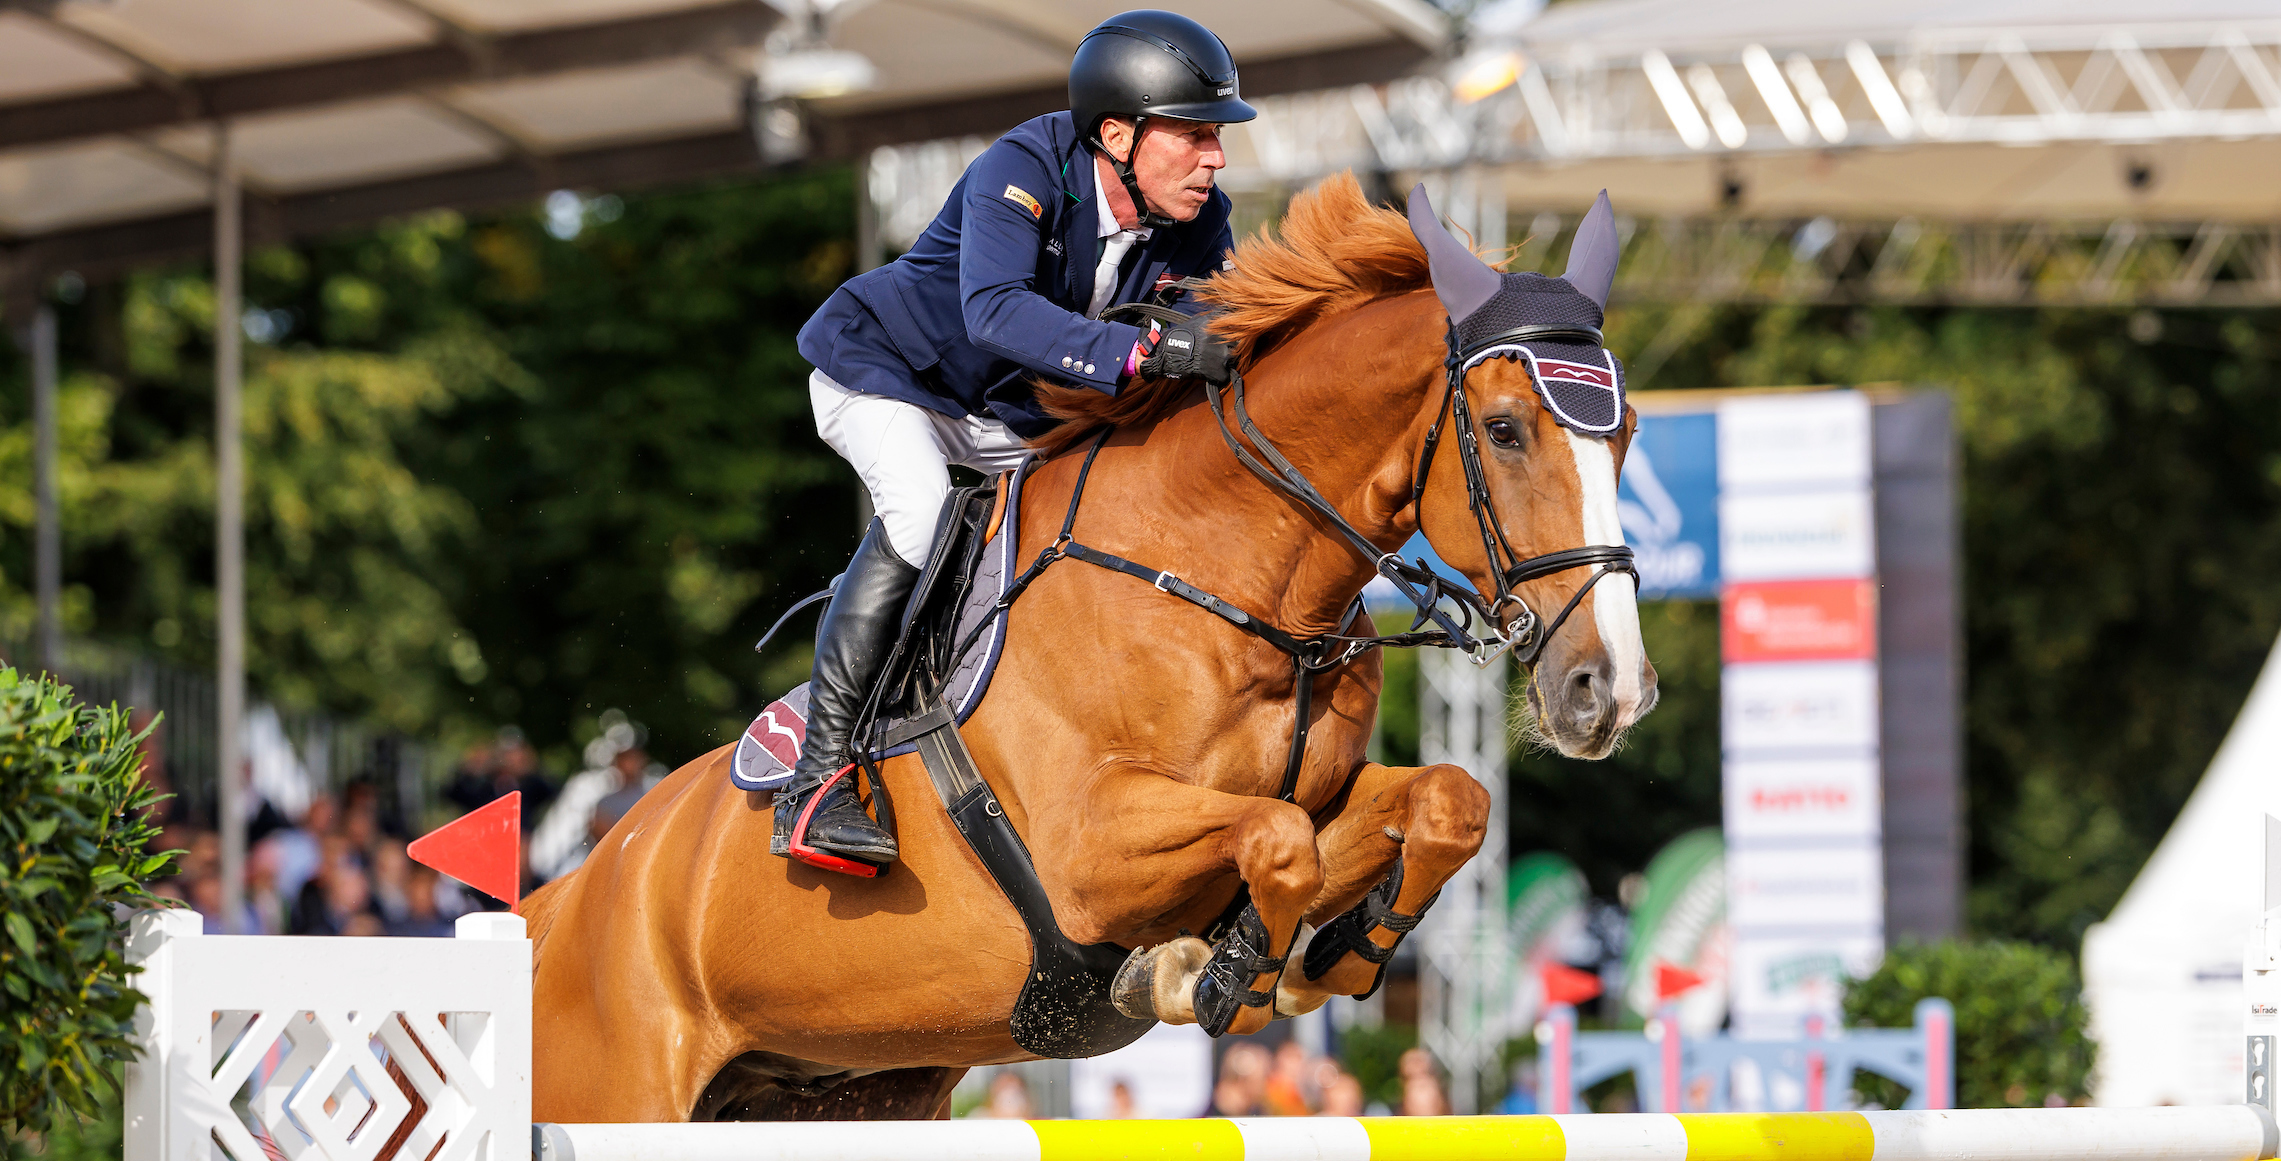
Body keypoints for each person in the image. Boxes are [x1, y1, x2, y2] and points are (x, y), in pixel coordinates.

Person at [777, 9, 1257, 874]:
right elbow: (992, 310)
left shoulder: (1202, 218)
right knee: (924, 515)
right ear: (1117, 133)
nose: (1214, 157)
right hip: (890, 375)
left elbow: (1199, 329)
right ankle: (816, 783)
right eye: (1193, 136)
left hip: (1008, 416)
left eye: (1215, 137)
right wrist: (1139, 350)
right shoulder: (1023, 166)